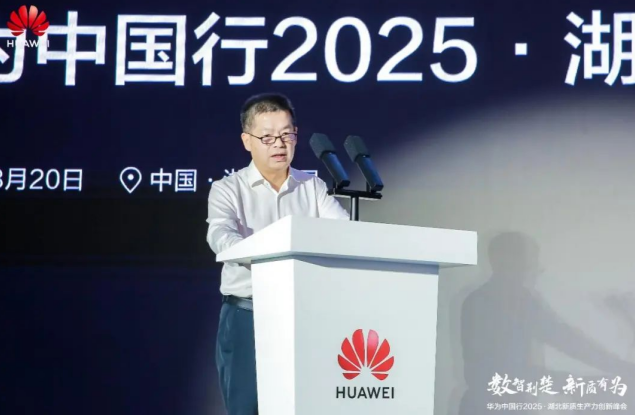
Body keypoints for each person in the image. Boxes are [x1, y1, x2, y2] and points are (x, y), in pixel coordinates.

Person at [206, 92, 349, 414]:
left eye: (287, 135)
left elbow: (344, 234)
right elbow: (220, 236)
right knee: (248, 406)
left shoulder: (312, 187)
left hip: (305, 314)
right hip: (248, 315)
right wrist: (272, 254)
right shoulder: (227, 189)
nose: (280, 144)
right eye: (267, 137)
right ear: (247, 141)